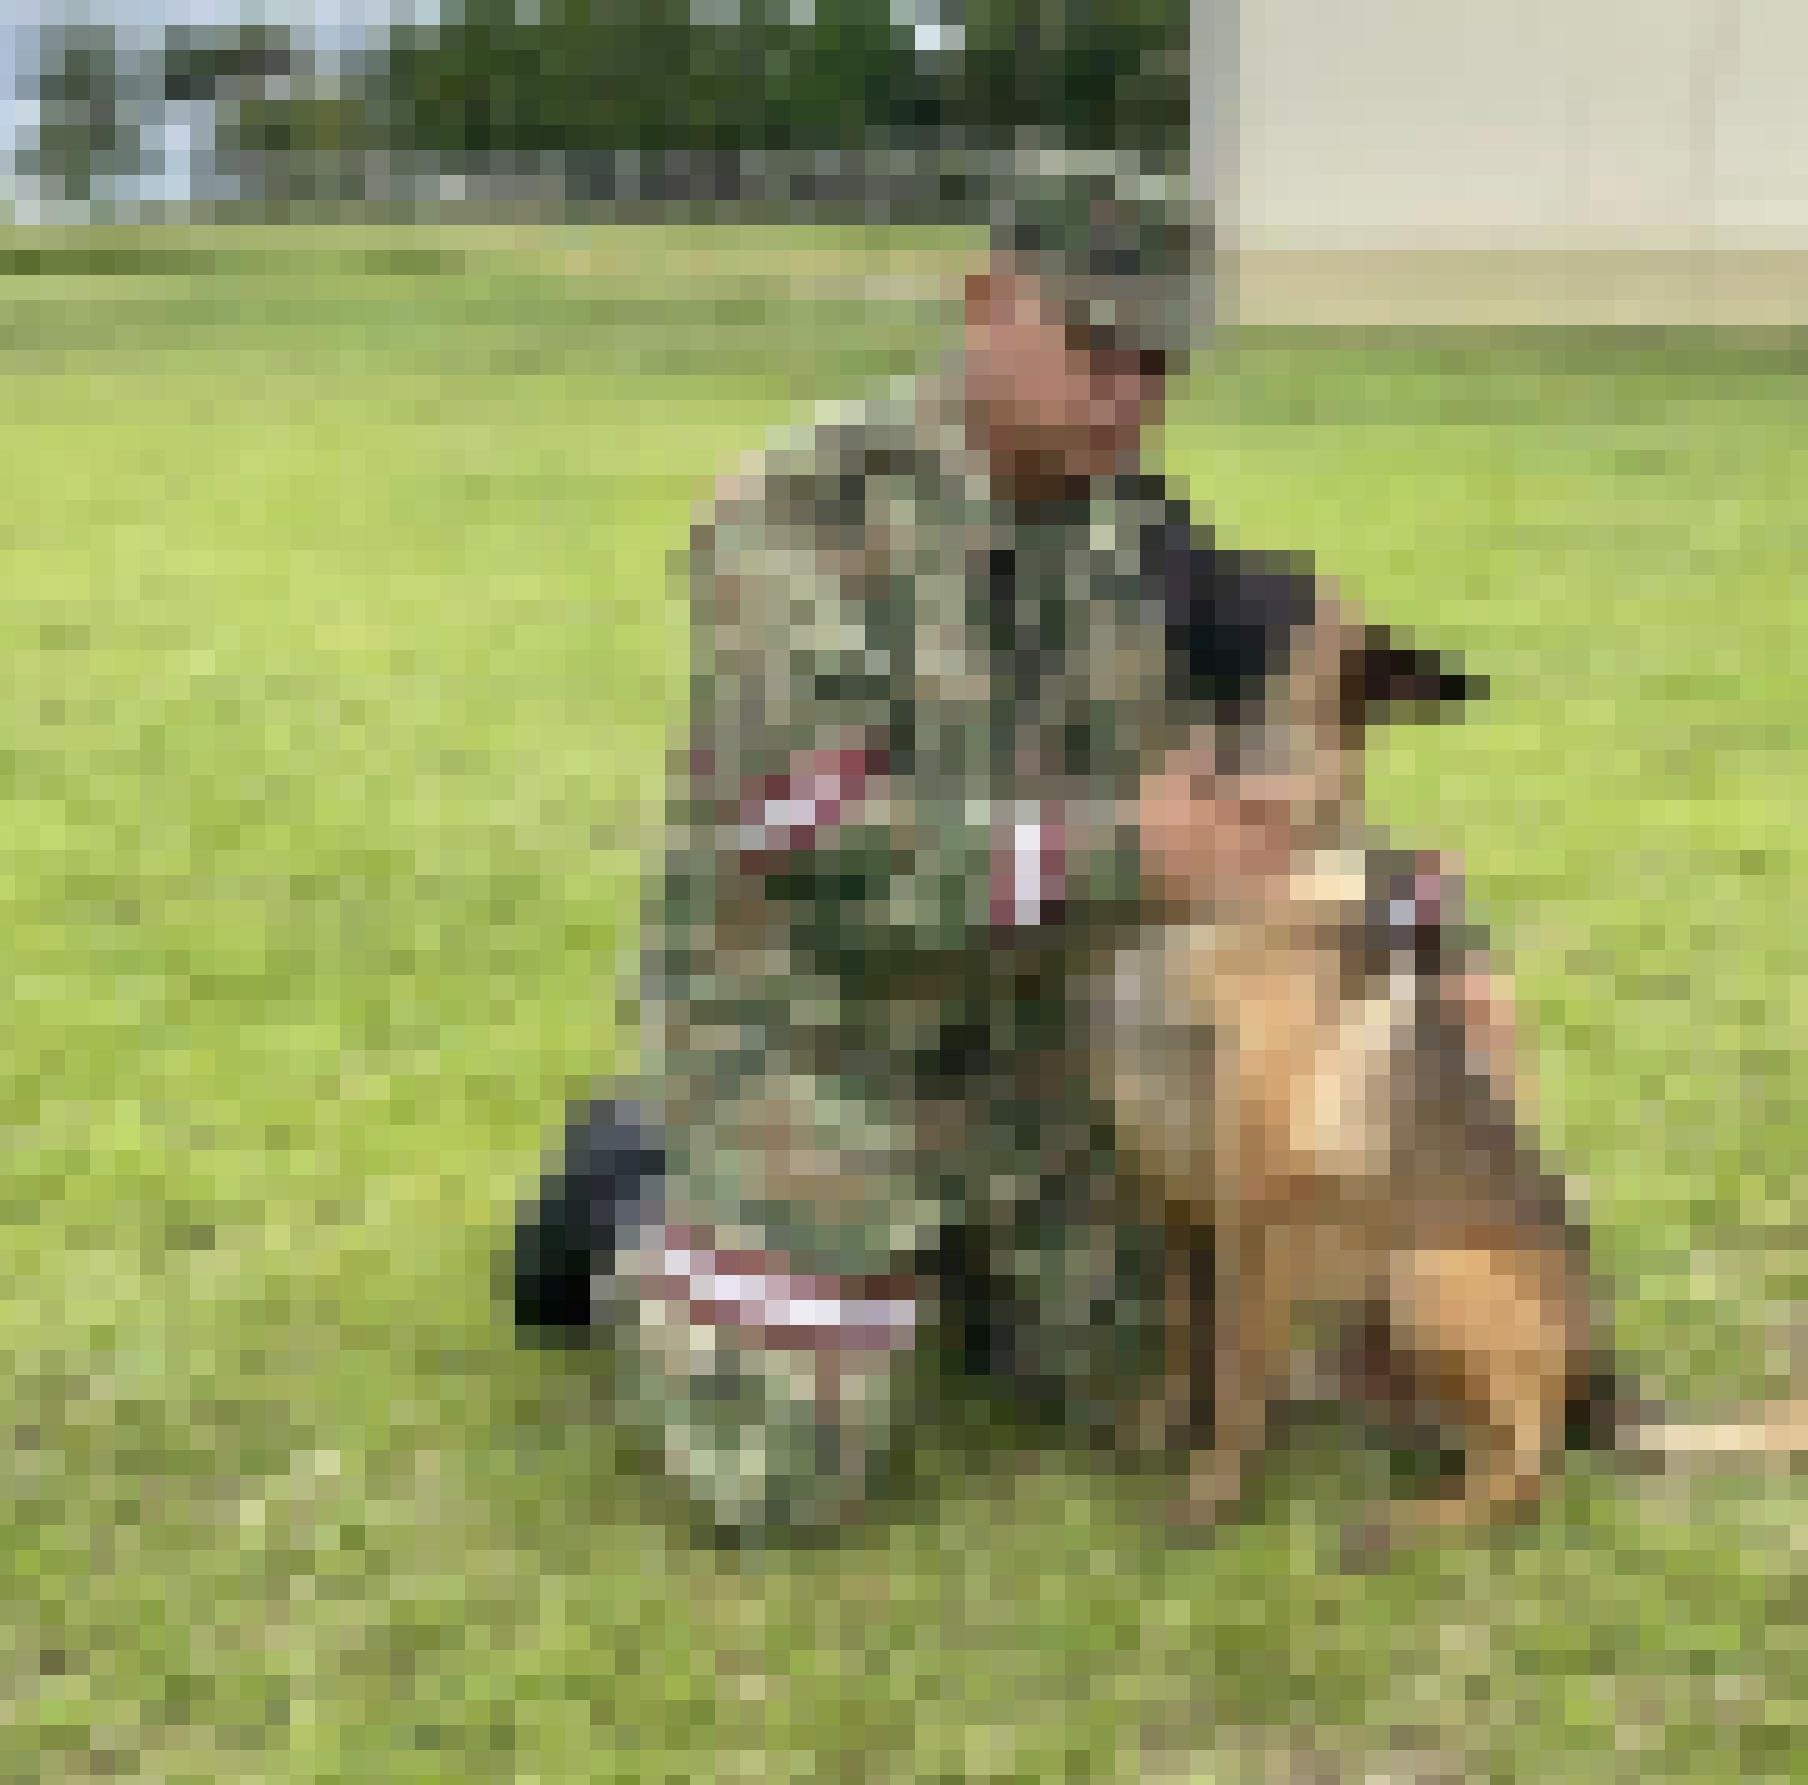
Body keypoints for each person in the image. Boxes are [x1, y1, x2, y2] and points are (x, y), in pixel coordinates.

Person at [515, 152, 1540, 1542]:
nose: (1126, 397)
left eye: (1158, 366)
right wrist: (1119, 851)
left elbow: (1303, 764)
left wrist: (1444, 945)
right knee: (781, 1476)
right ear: (987, 303)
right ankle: (632, 1193)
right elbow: (812, 847)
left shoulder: (1150, 536)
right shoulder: (803, 518)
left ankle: (943, 1247)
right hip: (810, 1029)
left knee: (1160, 1394)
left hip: (1038, 1049)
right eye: (1094, 348)